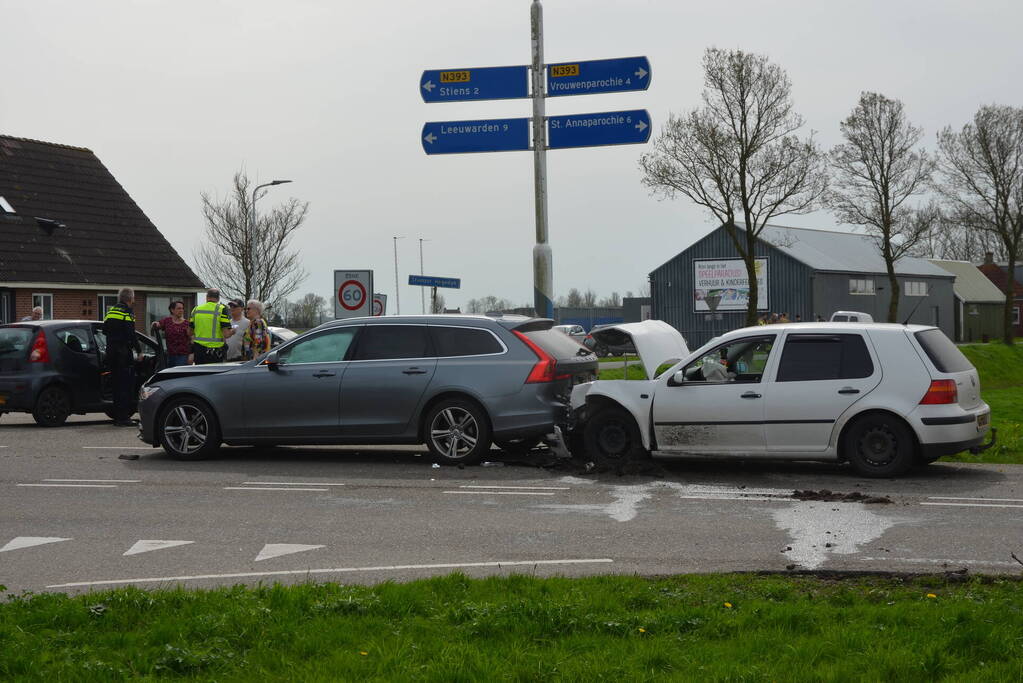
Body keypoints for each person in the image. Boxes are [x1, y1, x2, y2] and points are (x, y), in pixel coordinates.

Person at [102, 287, 141, 426]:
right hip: (123, 354)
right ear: (130, 299)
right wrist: (139, 350)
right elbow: (131, 334)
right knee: (125, 386)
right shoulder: (128, 312)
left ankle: (118, 416)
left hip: (111, 353)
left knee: (116, 386)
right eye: (134, 298)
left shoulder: (111, 311)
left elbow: (105, 330)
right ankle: (124, 418)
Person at [189, 288, 233, 364]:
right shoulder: (221, 309)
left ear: (207, 297)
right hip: (215, 351)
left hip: (199, 351)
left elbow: (189, 332)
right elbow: (226, 334)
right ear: (218, 298)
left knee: (200, 374)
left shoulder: (196, 309)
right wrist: (233, 331)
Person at [152, 300, 192, 367]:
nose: (181, 310)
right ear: (172, 310)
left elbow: (192, 340)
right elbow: (157, 324)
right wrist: (154, 324)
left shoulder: (187, 324)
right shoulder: (167, 321)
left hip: (182, 356)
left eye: (182, 308)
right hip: (169, 355)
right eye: (179, 308)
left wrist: (192, 354)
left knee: (178, 376)